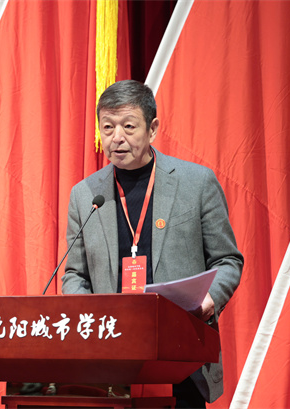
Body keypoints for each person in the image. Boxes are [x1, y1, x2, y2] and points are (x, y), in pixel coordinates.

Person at [61, 79, 243, 407]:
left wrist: (209, 301)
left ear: (153, 129)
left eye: (129, 126)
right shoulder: (85, 194)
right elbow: (75, 275)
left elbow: (227, 260)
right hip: (112, 362)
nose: (117, 137)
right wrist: (89, 327)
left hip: (181, 356)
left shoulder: (197, 183)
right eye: (107, 127)